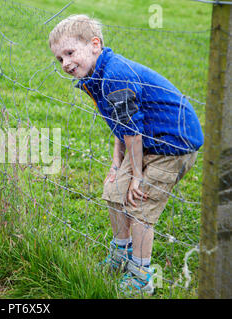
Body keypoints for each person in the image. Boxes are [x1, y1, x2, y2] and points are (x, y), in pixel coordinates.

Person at [48, 14, 203, 295]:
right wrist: (117, 164)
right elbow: (120, 125)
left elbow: (131, 129)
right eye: (60, 59)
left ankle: (141, 276)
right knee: (114, 192)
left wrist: (137, 177)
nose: (66, 64)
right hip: (143, 142)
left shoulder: (114, 75)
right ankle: (121, 253)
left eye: (70, 53)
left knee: (141, 207)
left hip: (173, 145)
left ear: (95, 44)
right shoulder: (95, 77)